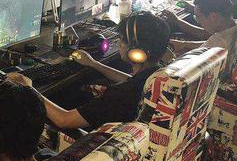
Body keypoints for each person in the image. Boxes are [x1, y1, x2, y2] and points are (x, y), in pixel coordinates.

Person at [9, 12, 170, 131]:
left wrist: (28, 87)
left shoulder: (121, 95)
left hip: (93, 143)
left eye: (121, 39)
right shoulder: (157, 75)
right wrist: (94, 64)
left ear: (137, 52)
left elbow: (64, 120)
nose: (119, 43)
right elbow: (130, 79)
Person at [167, 0, 237, 55]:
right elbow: (208, 43)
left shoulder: (217, 43)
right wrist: (184, 44)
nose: (198, 21)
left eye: (198, 16)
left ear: (213, 16)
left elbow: (209, 44)